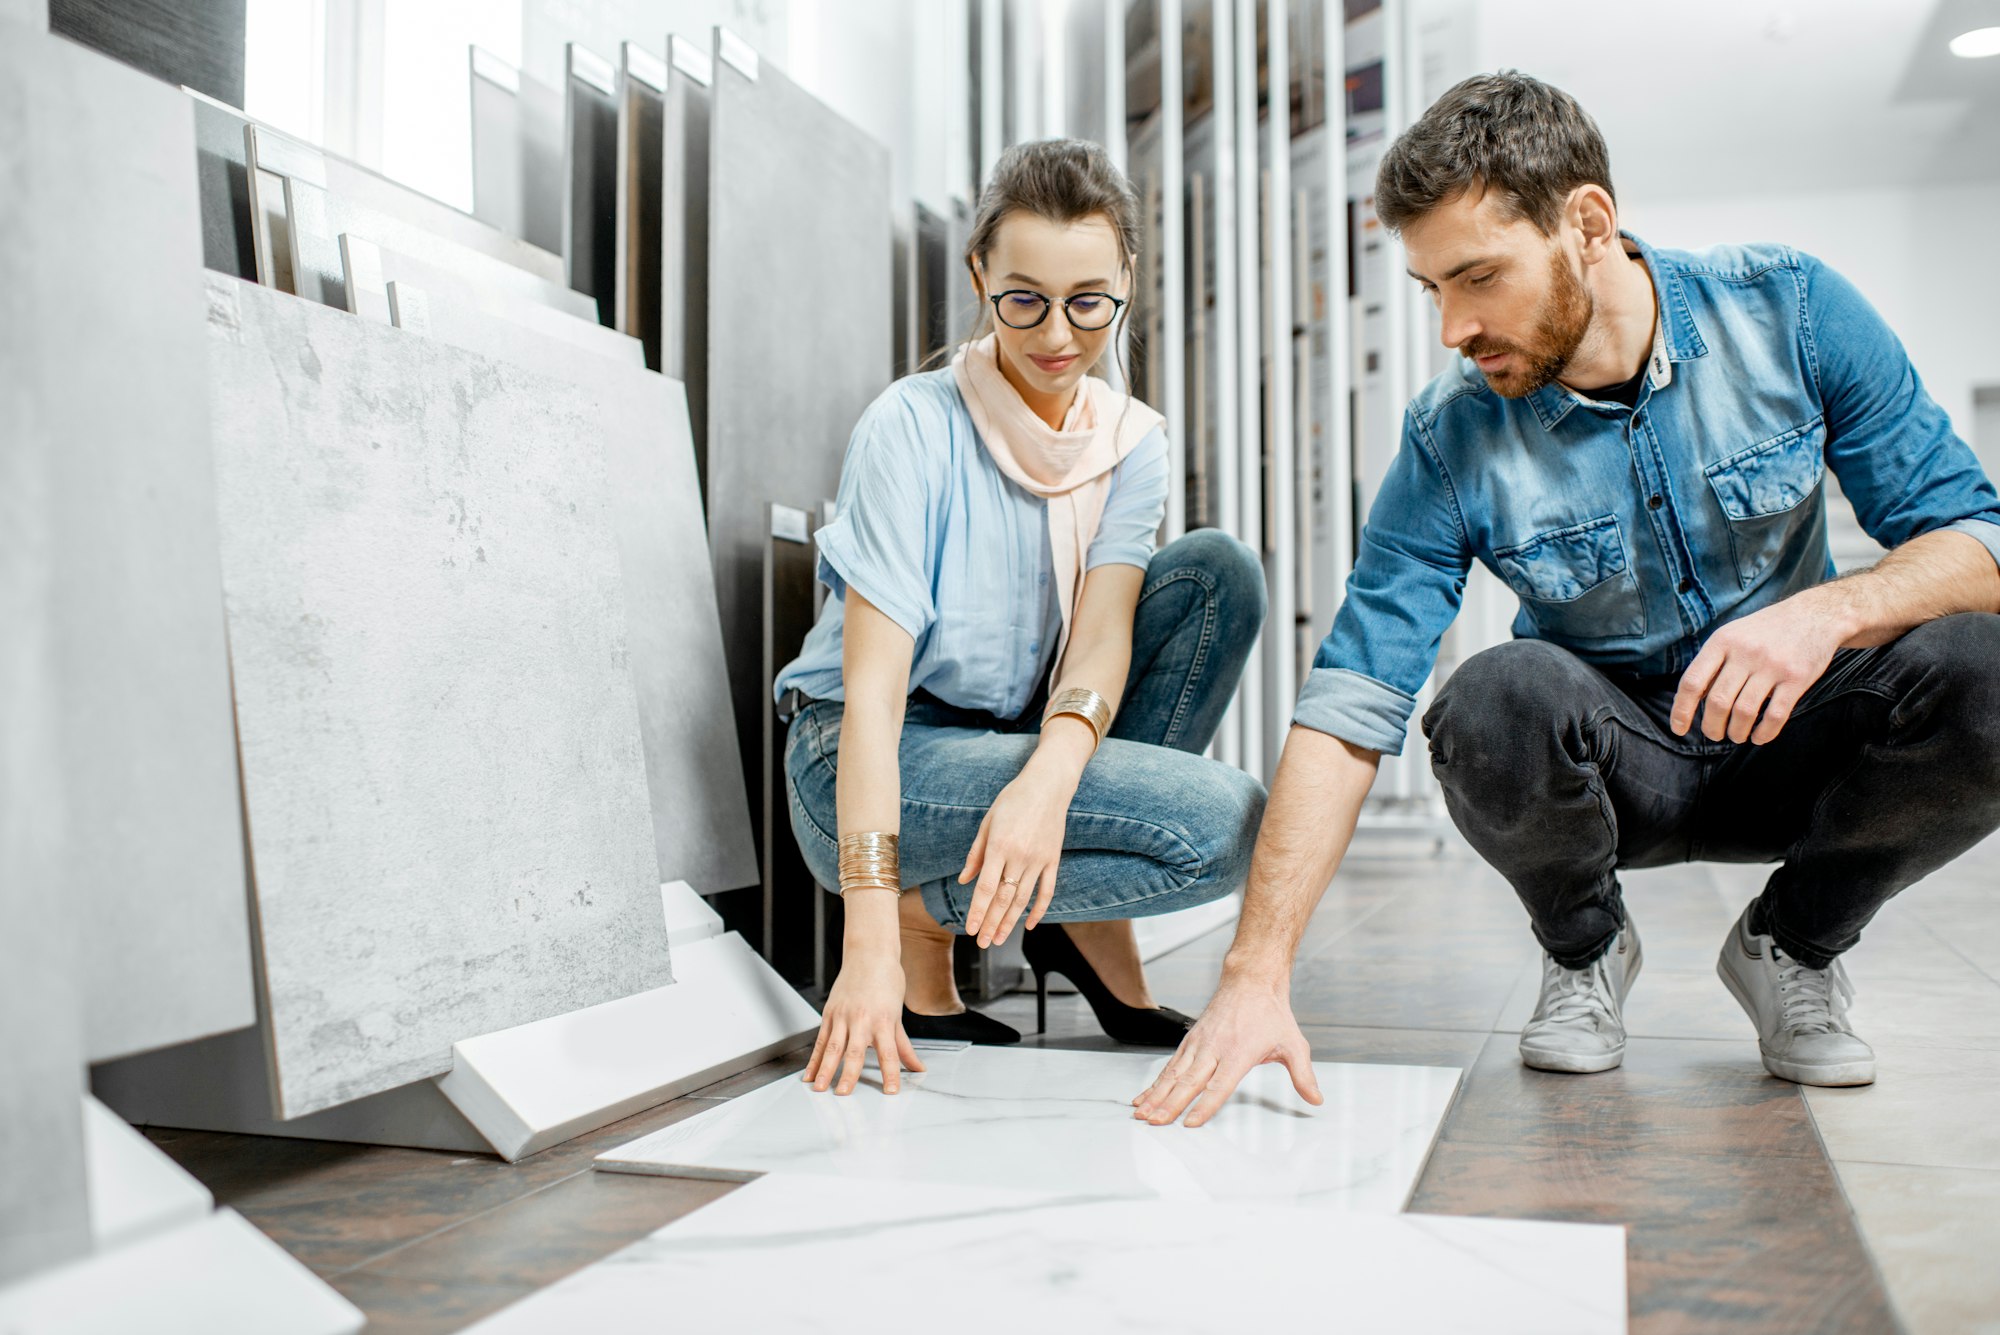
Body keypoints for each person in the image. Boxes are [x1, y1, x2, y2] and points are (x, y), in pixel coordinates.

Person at [1135, 71, 2000, 1127]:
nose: (1451, 326)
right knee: (1490, 698)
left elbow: (1978, 542)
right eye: (1430, 290)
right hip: (1613, 769)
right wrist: (1252, 975)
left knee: (1985, 671)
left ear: (1584, 222)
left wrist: (1825, 613)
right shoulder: (1448, 435)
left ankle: (1795, 944)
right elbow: (1349, 702)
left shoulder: (1792, 311)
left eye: (1476, 278)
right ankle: (1584, 948)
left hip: (1798, 740)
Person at [776, 138, 1269, 1098]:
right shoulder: (910, 428)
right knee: (1221, 826)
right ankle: (926, 920)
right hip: (863, 758)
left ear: (1127, 275)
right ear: (978, 276)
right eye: (1024, 300)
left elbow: (1100, 635)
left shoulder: (1128, 444)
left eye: (1090, 301)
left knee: (1218, 576)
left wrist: (1050, 783)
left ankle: (1064, 914)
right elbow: (873, 700)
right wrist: (868, 935)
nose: (1057, 335)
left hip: (1006, 740)